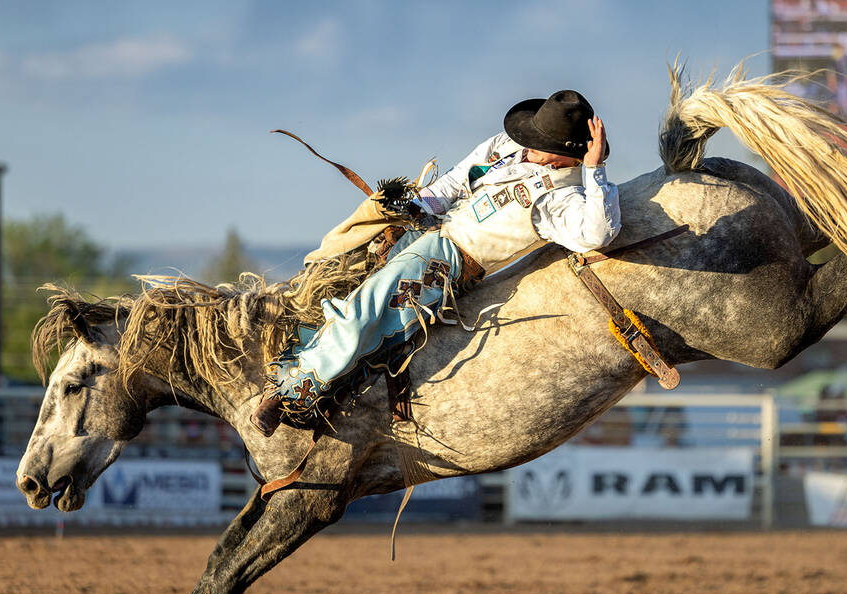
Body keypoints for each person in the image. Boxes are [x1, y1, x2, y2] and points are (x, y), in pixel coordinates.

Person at [251, 90, 620, 435]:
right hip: (426, 227)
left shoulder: (564, 198)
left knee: (364, 312)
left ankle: (289, 392)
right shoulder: (507, 145)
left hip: (448, 261)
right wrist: (416, 207)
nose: (528, 147)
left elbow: (599, 233)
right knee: (336, 264)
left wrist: (593, 170)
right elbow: (456, 181)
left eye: (540, 146)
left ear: (566, 156)